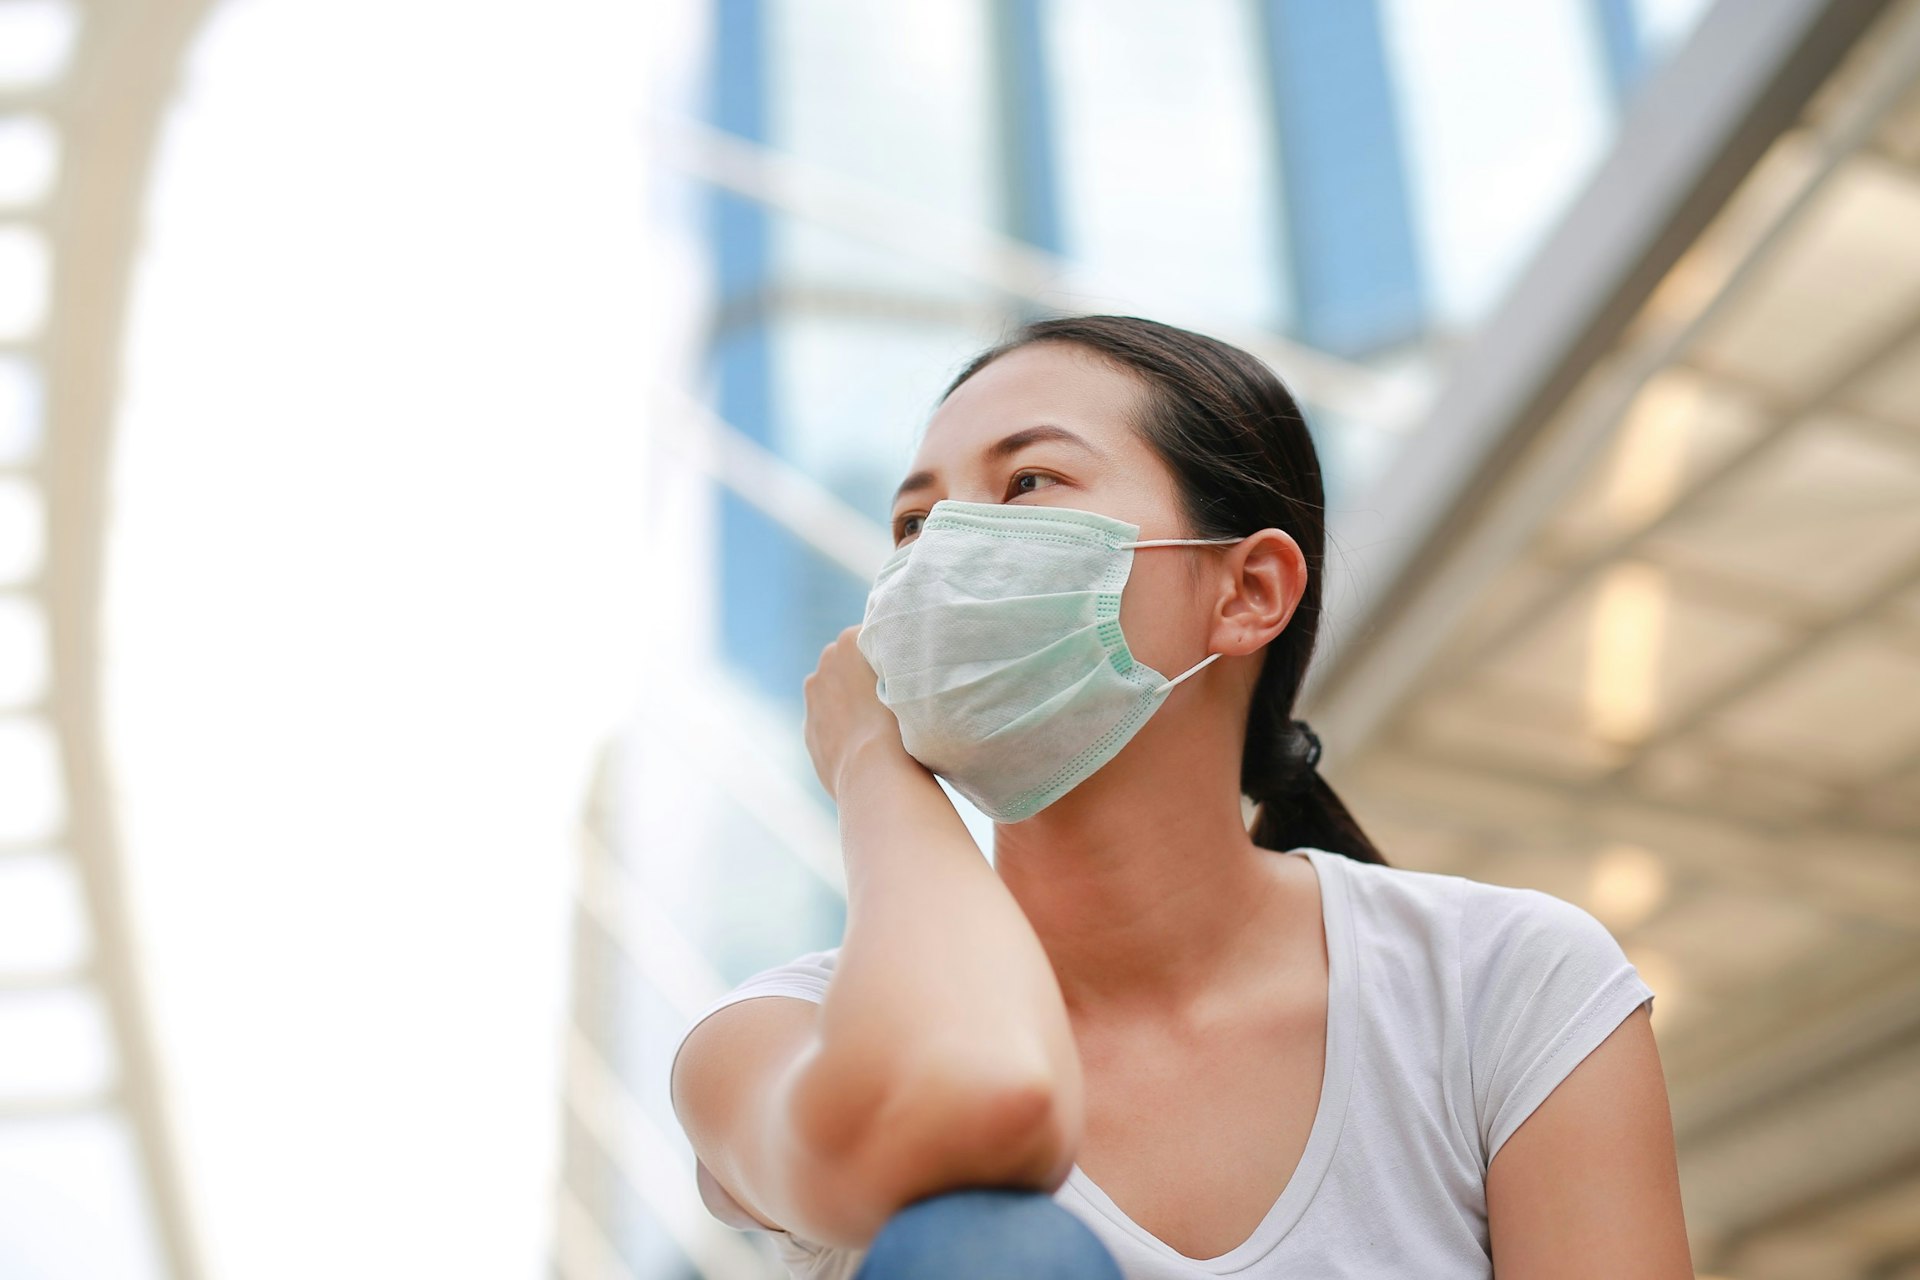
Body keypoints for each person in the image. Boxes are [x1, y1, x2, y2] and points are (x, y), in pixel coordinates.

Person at [669, 315, 1693, 1279]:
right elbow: (952, 1103)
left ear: (1247, 591)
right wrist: (873, 772)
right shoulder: (778, 1035)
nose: (941, 555)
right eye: (912, 521)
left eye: (1028, 480)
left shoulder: (1497, 985)